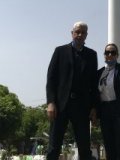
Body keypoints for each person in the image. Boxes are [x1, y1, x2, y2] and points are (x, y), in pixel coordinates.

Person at [46, 21, 98, 160]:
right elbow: (51, 78)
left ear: (86, 35)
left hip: (82, 106)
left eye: (83, 32)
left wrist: (94, 106)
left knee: (84, 147)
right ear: (72, 33)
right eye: (77, 32)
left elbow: (94, 83)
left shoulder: (92, 55)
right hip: (60, 105)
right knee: (54, 145)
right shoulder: (60, 51)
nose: (80, 35)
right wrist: (50, 102)